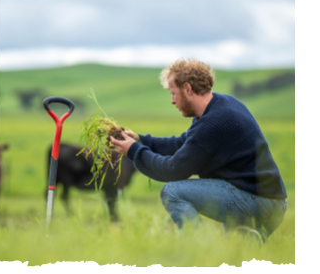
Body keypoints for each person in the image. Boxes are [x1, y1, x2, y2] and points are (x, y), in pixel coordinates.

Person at [109, 57, 287, 242]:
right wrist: (141, 140)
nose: (172, 101)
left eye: (173, 93)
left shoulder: (213, 123)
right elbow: (183, 144)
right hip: (266, 200)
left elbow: (172, 170)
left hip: (258, 202)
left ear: (187, 89)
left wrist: (133, 151)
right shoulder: (219, 106)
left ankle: (201, 249)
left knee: (172, 192)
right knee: (237, 260)